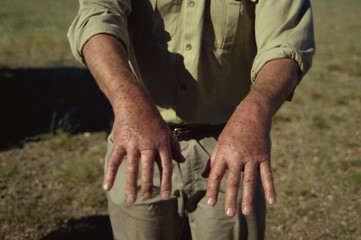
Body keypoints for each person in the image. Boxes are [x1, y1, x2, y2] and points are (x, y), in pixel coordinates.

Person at [68, 0, 315, 239]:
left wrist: (255, 113)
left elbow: (285, 41)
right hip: (140, 134)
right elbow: (97, 18)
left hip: (231, 142)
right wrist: (128, 102)